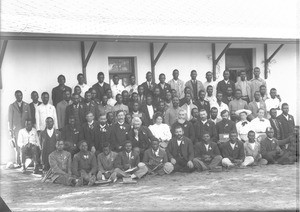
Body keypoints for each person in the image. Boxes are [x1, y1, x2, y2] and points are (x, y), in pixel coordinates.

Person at [8, 90, 32, 166]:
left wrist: (30, 128)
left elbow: (29, 117)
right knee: (18, 146)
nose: (19, 97)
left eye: (20, 95)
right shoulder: (12, 106)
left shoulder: (26, 105)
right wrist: (10, 130)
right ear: (15, 96)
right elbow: (10, 119)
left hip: (25, 128)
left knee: (25, 144)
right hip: (16, 129)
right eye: (17, 95)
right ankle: (19, 162)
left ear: (22, 96)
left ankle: (25, 162)